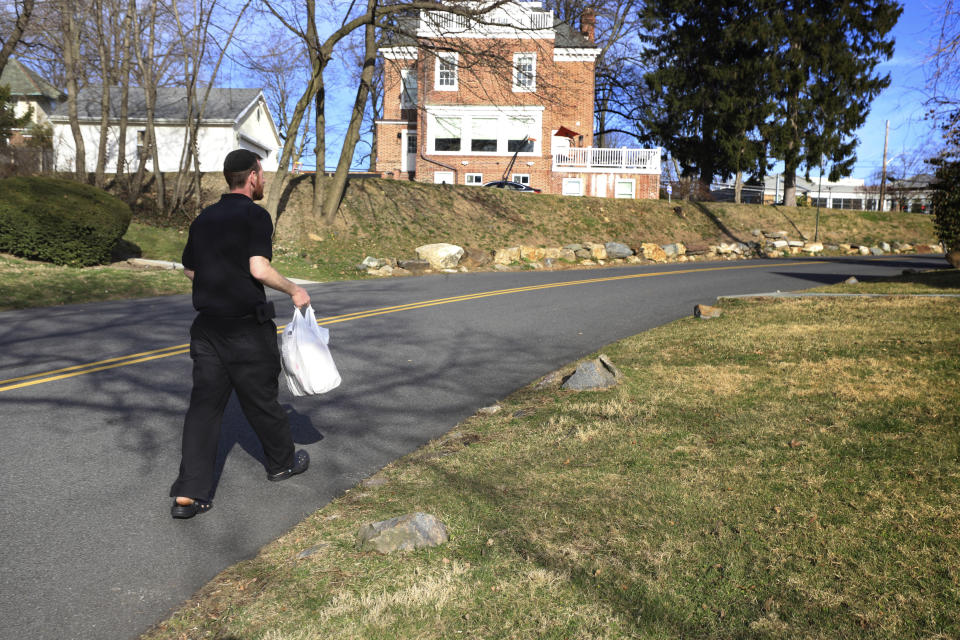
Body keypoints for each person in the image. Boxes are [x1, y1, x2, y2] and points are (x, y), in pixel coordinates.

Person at [169, 149, 311, 519]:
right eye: (261, 175)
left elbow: (189, 270)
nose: (263, 180)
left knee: (204, 408)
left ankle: (188, 492)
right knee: (261, 400)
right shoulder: (254, 215)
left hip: (207, 329)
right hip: (246, 328)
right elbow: (260, 269)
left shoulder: (204, 218)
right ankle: (281, 464)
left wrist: (217, 281)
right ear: (252, 176)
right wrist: (295, 290)